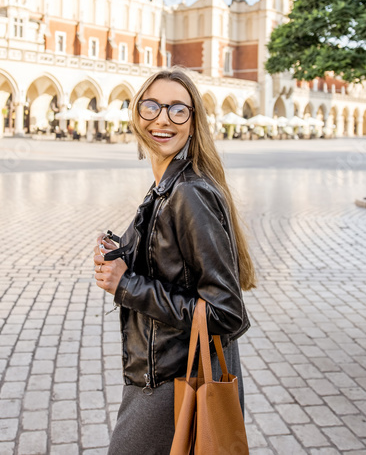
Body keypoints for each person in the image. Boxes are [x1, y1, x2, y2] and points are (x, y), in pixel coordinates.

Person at [93, 68, 256, 454]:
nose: (162, 119)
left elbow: (226, 313)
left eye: (177, 110)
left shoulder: (189, 192)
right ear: (136, 114)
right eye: (151, 106)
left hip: (177, 380)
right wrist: (125, 253)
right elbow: (175, 267)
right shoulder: (167, 183)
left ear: (193, 121)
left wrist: (126, 285)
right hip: (165, 370)